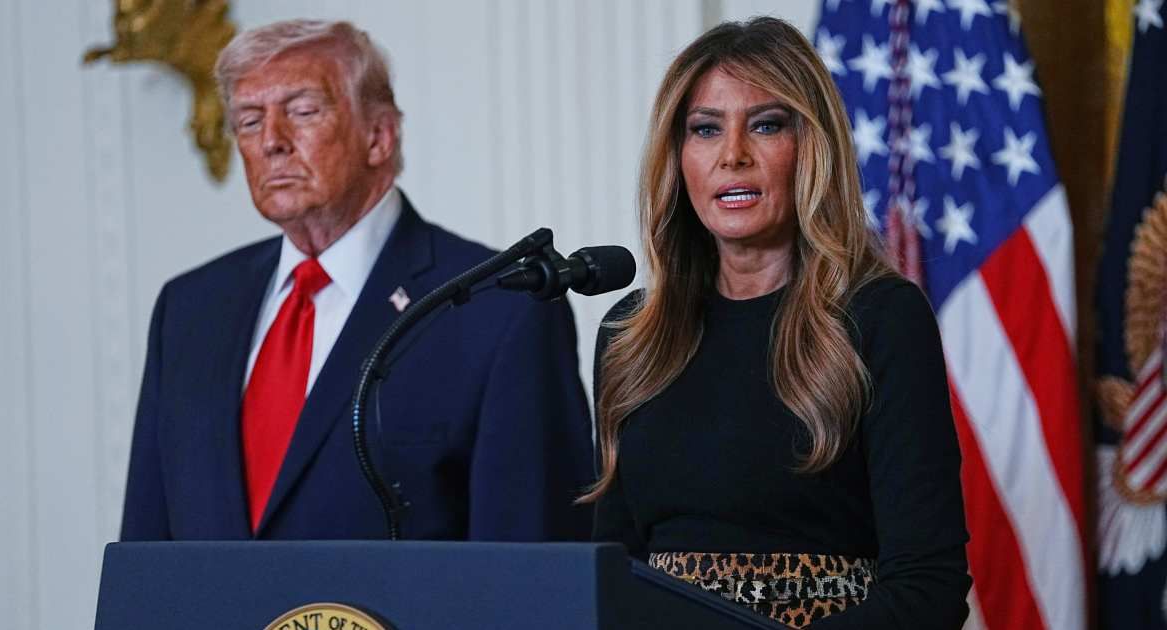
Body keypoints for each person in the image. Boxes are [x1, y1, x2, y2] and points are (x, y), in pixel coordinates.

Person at [120, 19, 594, 542]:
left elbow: (533, 564)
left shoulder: (498, 306)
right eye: (249, 121)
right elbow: (148, 547)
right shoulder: (189, 308)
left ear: (379, 136)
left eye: (301, 111)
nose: (272, 141)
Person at [586, 17, 971, 629]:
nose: (732, 155)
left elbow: (929, 586)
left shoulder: (881, 317)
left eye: (766, 125)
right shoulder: (630, 335)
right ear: (678, 156)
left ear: (811, 148)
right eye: (705, 129)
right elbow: (610, 574)